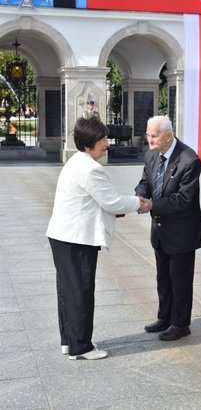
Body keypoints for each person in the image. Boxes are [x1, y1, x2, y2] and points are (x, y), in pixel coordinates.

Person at [46, 116, 150, 360]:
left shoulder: (77, 161)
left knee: (68, 291)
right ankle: (81, 347)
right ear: (87, 143)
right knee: (80, 290)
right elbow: (111, 201)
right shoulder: (91, 169)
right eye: (102, 139)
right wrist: (140, 203)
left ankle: (69, 342)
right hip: (76, 239)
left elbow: (99, 203)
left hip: (64, 236)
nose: (107, 144)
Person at [135, 115, 201, 341]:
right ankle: (164, 317)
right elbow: (145, 182)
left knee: (180, 280)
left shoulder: (189, 160)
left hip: (182, 232)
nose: (149, 140)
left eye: (154, 136)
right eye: (148, 134)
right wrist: (139, 197)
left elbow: (183, 199)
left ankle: (180, 323)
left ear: (168, 136)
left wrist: (153, 205)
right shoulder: (151, 155)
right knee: (163, 278)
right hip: (160, 230)